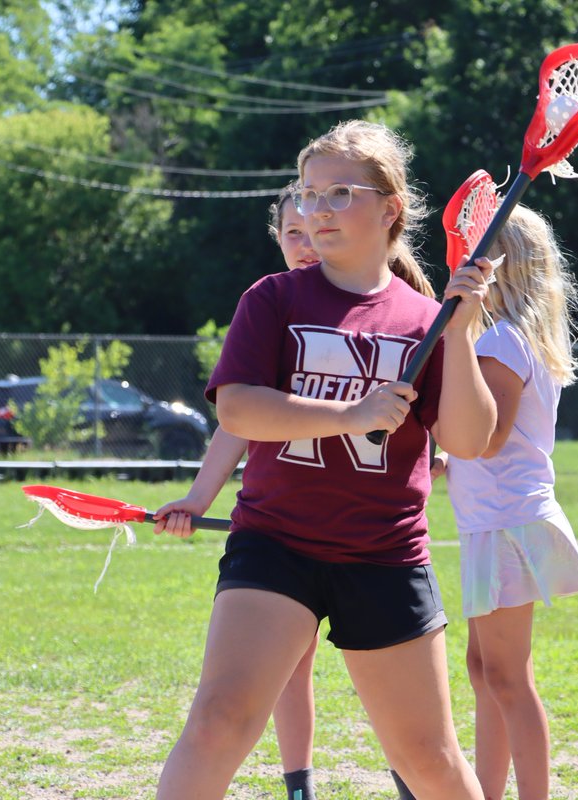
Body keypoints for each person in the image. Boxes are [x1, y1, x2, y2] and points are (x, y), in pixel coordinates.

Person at [154, 119, 496, 800]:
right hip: (275, 543)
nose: (318, 211)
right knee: (219, 721)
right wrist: (352, 415)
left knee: (428, 759)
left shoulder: (424, 317)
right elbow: (239, 411)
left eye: (341, 193)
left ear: (390, 208)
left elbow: (468, 439)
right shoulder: (273, 299)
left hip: (385, 555)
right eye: (311, 195)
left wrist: (460, 333)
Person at [154, 184, 327, 800]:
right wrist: (197, 499)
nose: (306, 245)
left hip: (369, 538)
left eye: (315, 229)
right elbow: (237, 417)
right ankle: (300, 787)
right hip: (279, 531)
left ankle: (410, 780)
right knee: (288, 672)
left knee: (401, 708)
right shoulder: (271, 305)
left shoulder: (383, 296)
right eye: (292, 234)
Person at [442, 204, 578, 800]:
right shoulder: (511, 337)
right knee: (487, 672)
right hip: (496, 521)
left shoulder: (502, 340)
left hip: (507, 523)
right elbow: (490, 441)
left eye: (476, 252)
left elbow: (488, 437)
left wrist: (436, 429)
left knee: (506, 677)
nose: (463, 262)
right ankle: (486, 791)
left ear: (499, 266)